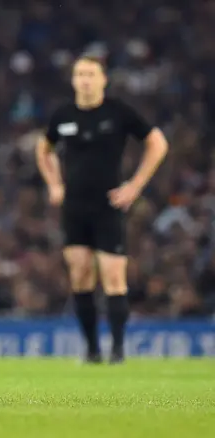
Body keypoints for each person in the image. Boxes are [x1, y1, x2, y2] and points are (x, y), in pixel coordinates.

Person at [35, 55, 168, 364]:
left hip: (108, 205)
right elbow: (44, 149)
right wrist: (54, 184)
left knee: (112, 276)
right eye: (80, 74)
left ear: (103, 79)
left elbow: (157, 142)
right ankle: (92, 350)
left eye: (91, 74)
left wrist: (135, 186)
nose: (85, 80)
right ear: (73, 80)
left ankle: (118, 350)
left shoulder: (118, 112)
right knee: (80, 275)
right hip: (75, 207)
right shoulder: (63, 115)